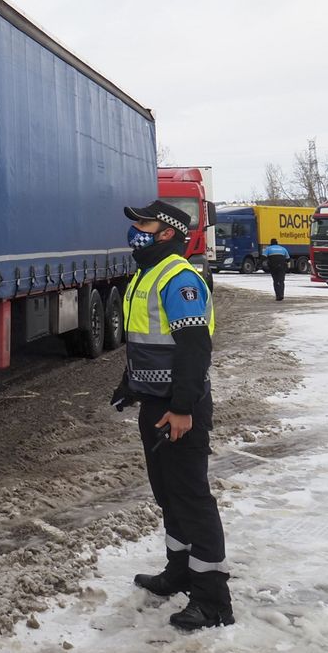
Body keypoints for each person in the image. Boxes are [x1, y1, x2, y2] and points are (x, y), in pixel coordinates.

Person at [111, 200, 233, 631]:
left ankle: (213, 599)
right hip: (156, 403)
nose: (135, 230)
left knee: (192, 500)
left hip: (180, 408)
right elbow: (149, 342)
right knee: (168, 495)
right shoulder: (147, 274)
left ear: (166, 232)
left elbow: (194, 348)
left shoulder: (180, 277)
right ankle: (178, 572)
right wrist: (131, 384)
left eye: (142, 223)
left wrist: (182, 408)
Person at [263, 236, 291, 301]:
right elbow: (288, 259)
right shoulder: (283, 248)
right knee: (281, 281)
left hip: (273, 266)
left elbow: (263, 257)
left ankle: (278, 296)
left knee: (275, 281)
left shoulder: (268, 248)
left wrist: (260, 264)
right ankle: (282, 294)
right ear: (277, 243)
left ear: (271, 243)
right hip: (282, 266)